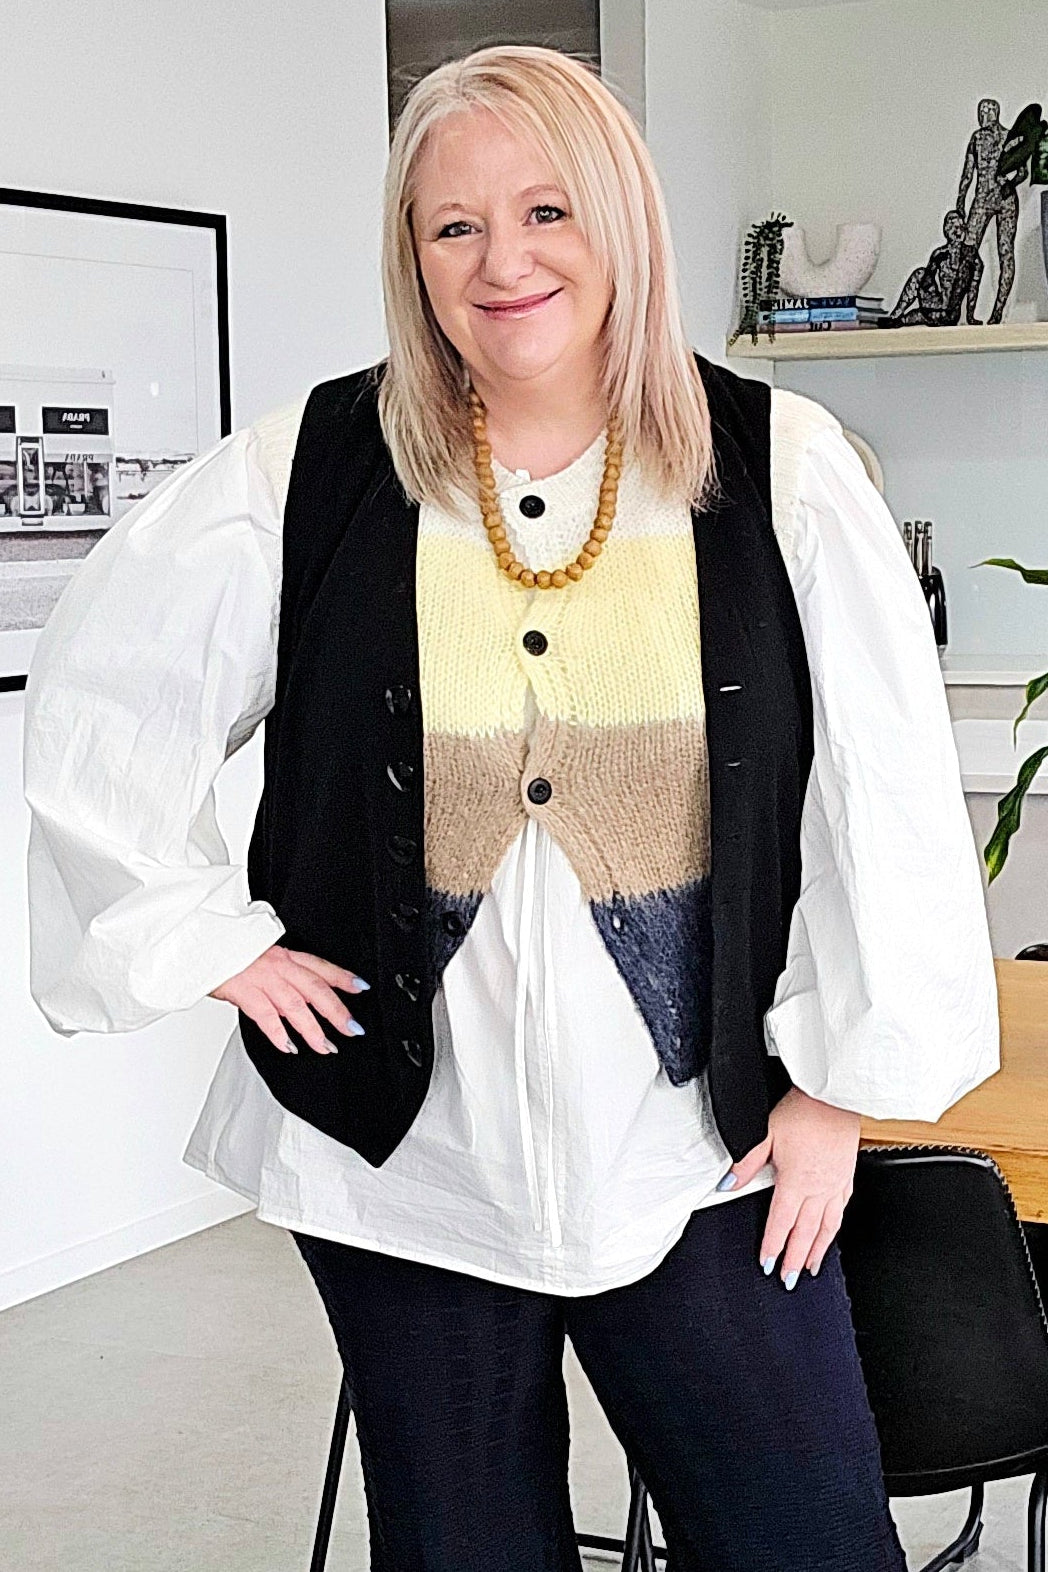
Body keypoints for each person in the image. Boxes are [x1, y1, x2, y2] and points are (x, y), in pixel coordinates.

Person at [23, 44, 1000, 1572]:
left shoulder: (781, 468)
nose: (503, 261)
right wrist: (204, 938)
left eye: (547, 208)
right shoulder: (308, 470)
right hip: (405, 1162)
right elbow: (103, 708)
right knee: (466, 1546)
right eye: (451, 225)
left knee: (804, 1539)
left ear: (622, 221)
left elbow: (880, 808)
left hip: (704, 1153)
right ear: (410, 257)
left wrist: (833, 1092)